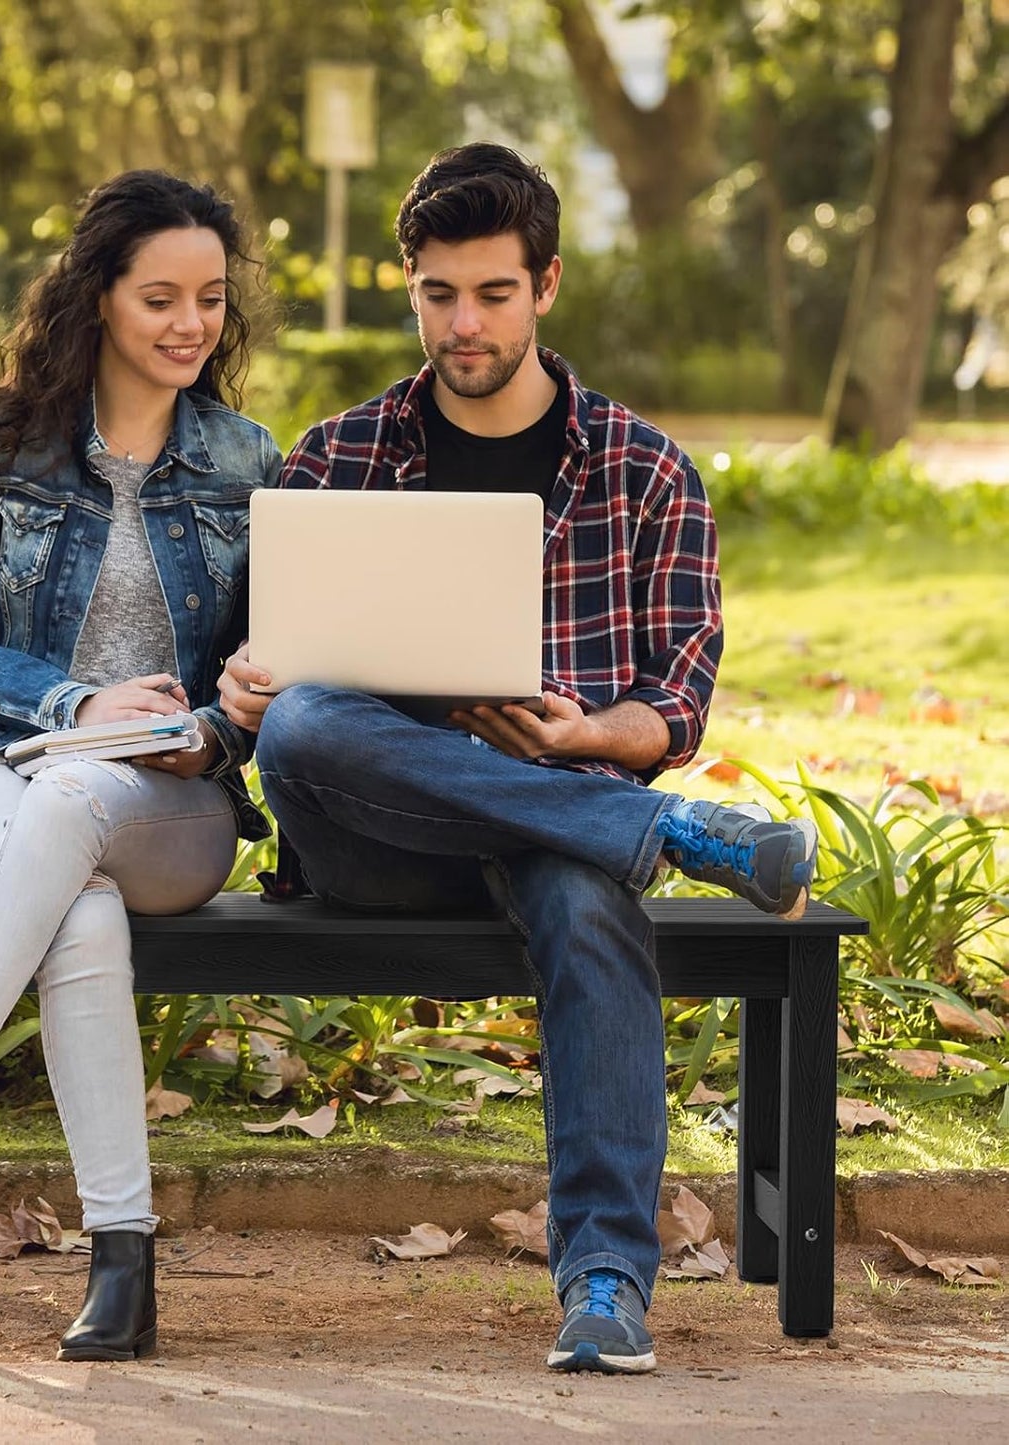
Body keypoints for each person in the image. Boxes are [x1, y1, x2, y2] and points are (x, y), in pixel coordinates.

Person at [218, 144, 817, 1377]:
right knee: (310, 722)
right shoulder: (336, 458)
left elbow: (671, 710)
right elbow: (261, 685)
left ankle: (603, 1279)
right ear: (410, 287)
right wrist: (239, 684)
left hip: (560, 820)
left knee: (586, 892)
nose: (462, 322)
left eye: (491, 292)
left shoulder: (646, 470)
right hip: (369, 838)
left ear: (544, 286)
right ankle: (674, 840)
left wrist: (586, 739)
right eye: (437, 293)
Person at [0, 171, 279, 1363]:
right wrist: (70, 697)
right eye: (161, 299)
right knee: (74, 909)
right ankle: (122, 1269)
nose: (191, 324)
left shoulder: (246, 458)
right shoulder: (2, 439)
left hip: (166, 800)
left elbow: (270, 666)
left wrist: (216, 725)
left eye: (210, 301)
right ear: (99, 299)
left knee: (86, 800)